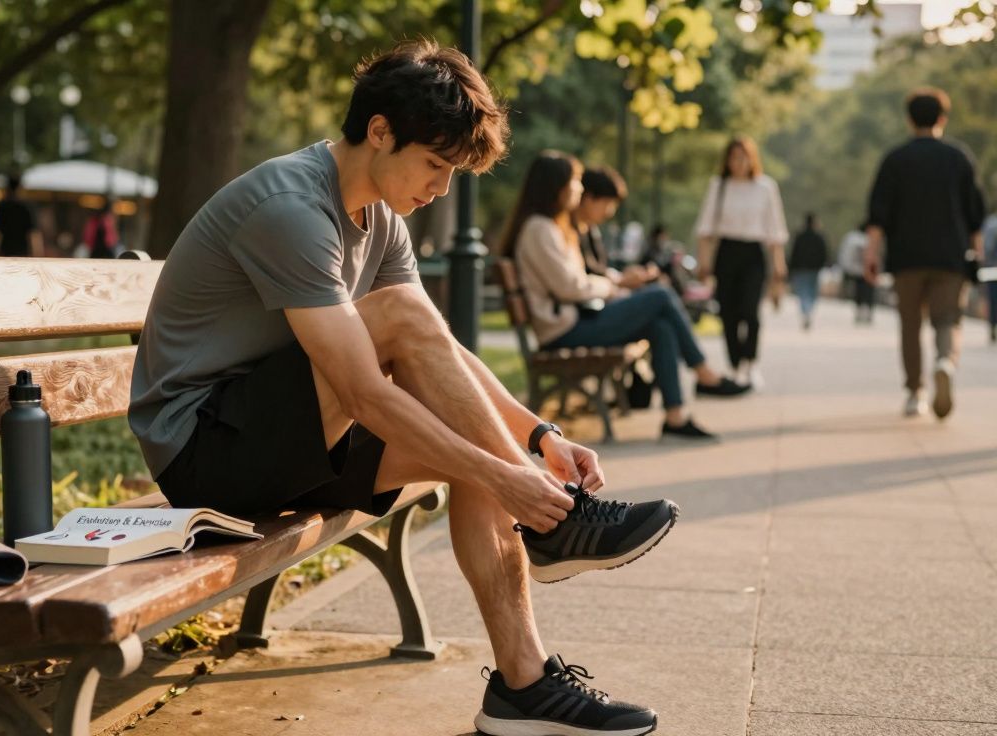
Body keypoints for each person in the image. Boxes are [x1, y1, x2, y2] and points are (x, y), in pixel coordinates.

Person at [130, 41, 676, 736]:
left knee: (468, 438)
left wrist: (537, 437)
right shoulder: (290, 206)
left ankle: (524, 686)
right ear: (380, 131)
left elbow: (437, 353)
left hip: (283, 437)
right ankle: (558, 529)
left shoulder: (382, 218)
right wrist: (512, 476)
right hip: (206, 452)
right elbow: (363, 390)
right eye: (435, 165)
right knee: (452, 409)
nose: (441, 189)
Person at [500, 150, 750, 442]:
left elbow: (576, 283)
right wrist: (613, 287)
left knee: (660, 327)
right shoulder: (539, 230)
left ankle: (675, 417)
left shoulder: (551, 228)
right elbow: (572, 287)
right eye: (576, 182)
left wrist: (615, 285)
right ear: (555, 187)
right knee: (659, 296)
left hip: (574, 322)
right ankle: (704, 373)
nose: (580, 190)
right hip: (564, 330)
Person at [864, 87, 986, 419]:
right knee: (948, 319)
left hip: (906, 258)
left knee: (910, 324)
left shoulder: (895, 160)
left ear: (909, 120)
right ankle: (945, 361)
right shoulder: (959, 157)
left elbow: (878, 215)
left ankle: (914, 392)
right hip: (951, 257)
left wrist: (871, 254)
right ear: (942, 118)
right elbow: (975, 215)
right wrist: (978, 254)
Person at [694, 136, 790, 388]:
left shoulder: (765, 187)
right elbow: (705, 229)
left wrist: (779, 267)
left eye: (743, 156)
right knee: (728, 312)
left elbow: (775, 231)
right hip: (727, 252)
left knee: (750, 309)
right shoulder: (719, 186)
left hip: (753, 254)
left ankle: (750, 361)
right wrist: (704, 264)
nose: (738, 162)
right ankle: (734, 364)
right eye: (733, 157)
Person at [573, 166, 660, 289]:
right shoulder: (569, 231)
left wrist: (624, 275)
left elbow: (598, 269)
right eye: (608, 203)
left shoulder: (591, 230)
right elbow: (585, 275)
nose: (610, 211)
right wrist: (620, 280)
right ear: (588, 198)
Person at [788, 213, 830, 331]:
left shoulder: (799, 236)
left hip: (800, 268)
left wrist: (791, 268)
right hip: (814, 269)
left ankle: (805, 311)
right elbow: (824, 253)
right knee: (812, 292)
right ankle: (808, 311)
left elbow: (794, 253)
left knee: (802, 292)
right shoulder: (819, 236)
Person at [0, 173, 43, 257]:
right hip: (22, 251)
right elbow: (33, 233)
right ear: (20, 187)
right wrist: (37, 254)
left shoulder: (2, 207)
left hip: (6, 250)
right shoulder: (26, 207)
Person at [838, 223, 875, 325]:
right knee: (868, 293)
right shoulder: (871, 239)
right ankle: (867, 312)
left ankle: (859, 312)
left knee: (858, 292)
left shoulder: (852, 238)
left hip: (856, 271)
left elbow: (845, 255)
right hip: (869, 272)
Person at [983, 211, 997, 343]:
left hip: (993, 269)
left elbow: (987, 248)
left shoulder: (991, 223)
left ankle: (993, 327)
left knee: (993, 300)